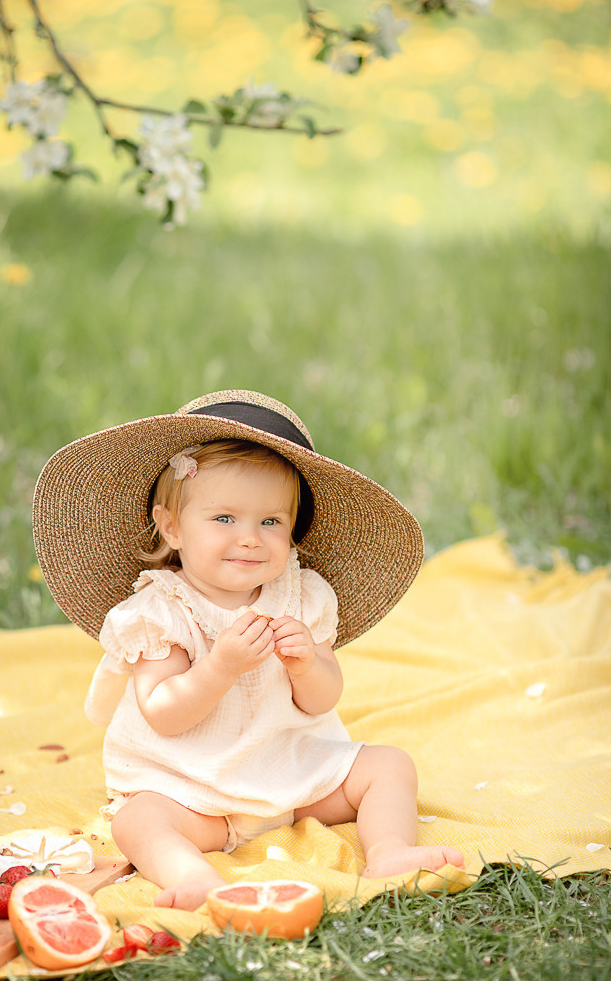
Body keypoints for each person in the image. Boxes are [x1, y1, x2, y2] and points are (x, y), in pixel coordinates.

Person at [33, 390, 465, 910]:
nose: (250, 539)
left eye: (270, 522)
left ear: (291, 528)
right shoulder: (161, 611)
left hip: (293, 773)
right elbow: (164, 713)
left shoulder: (302, 596)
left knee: (390, 765)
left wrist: (309, 663)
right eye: (223, 519)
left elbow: (322, 700)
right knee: (137, 819)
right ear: (171, 526)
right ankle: (194, 877)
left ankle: (389, 851)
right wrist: (219, 666)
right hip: (194, 789)